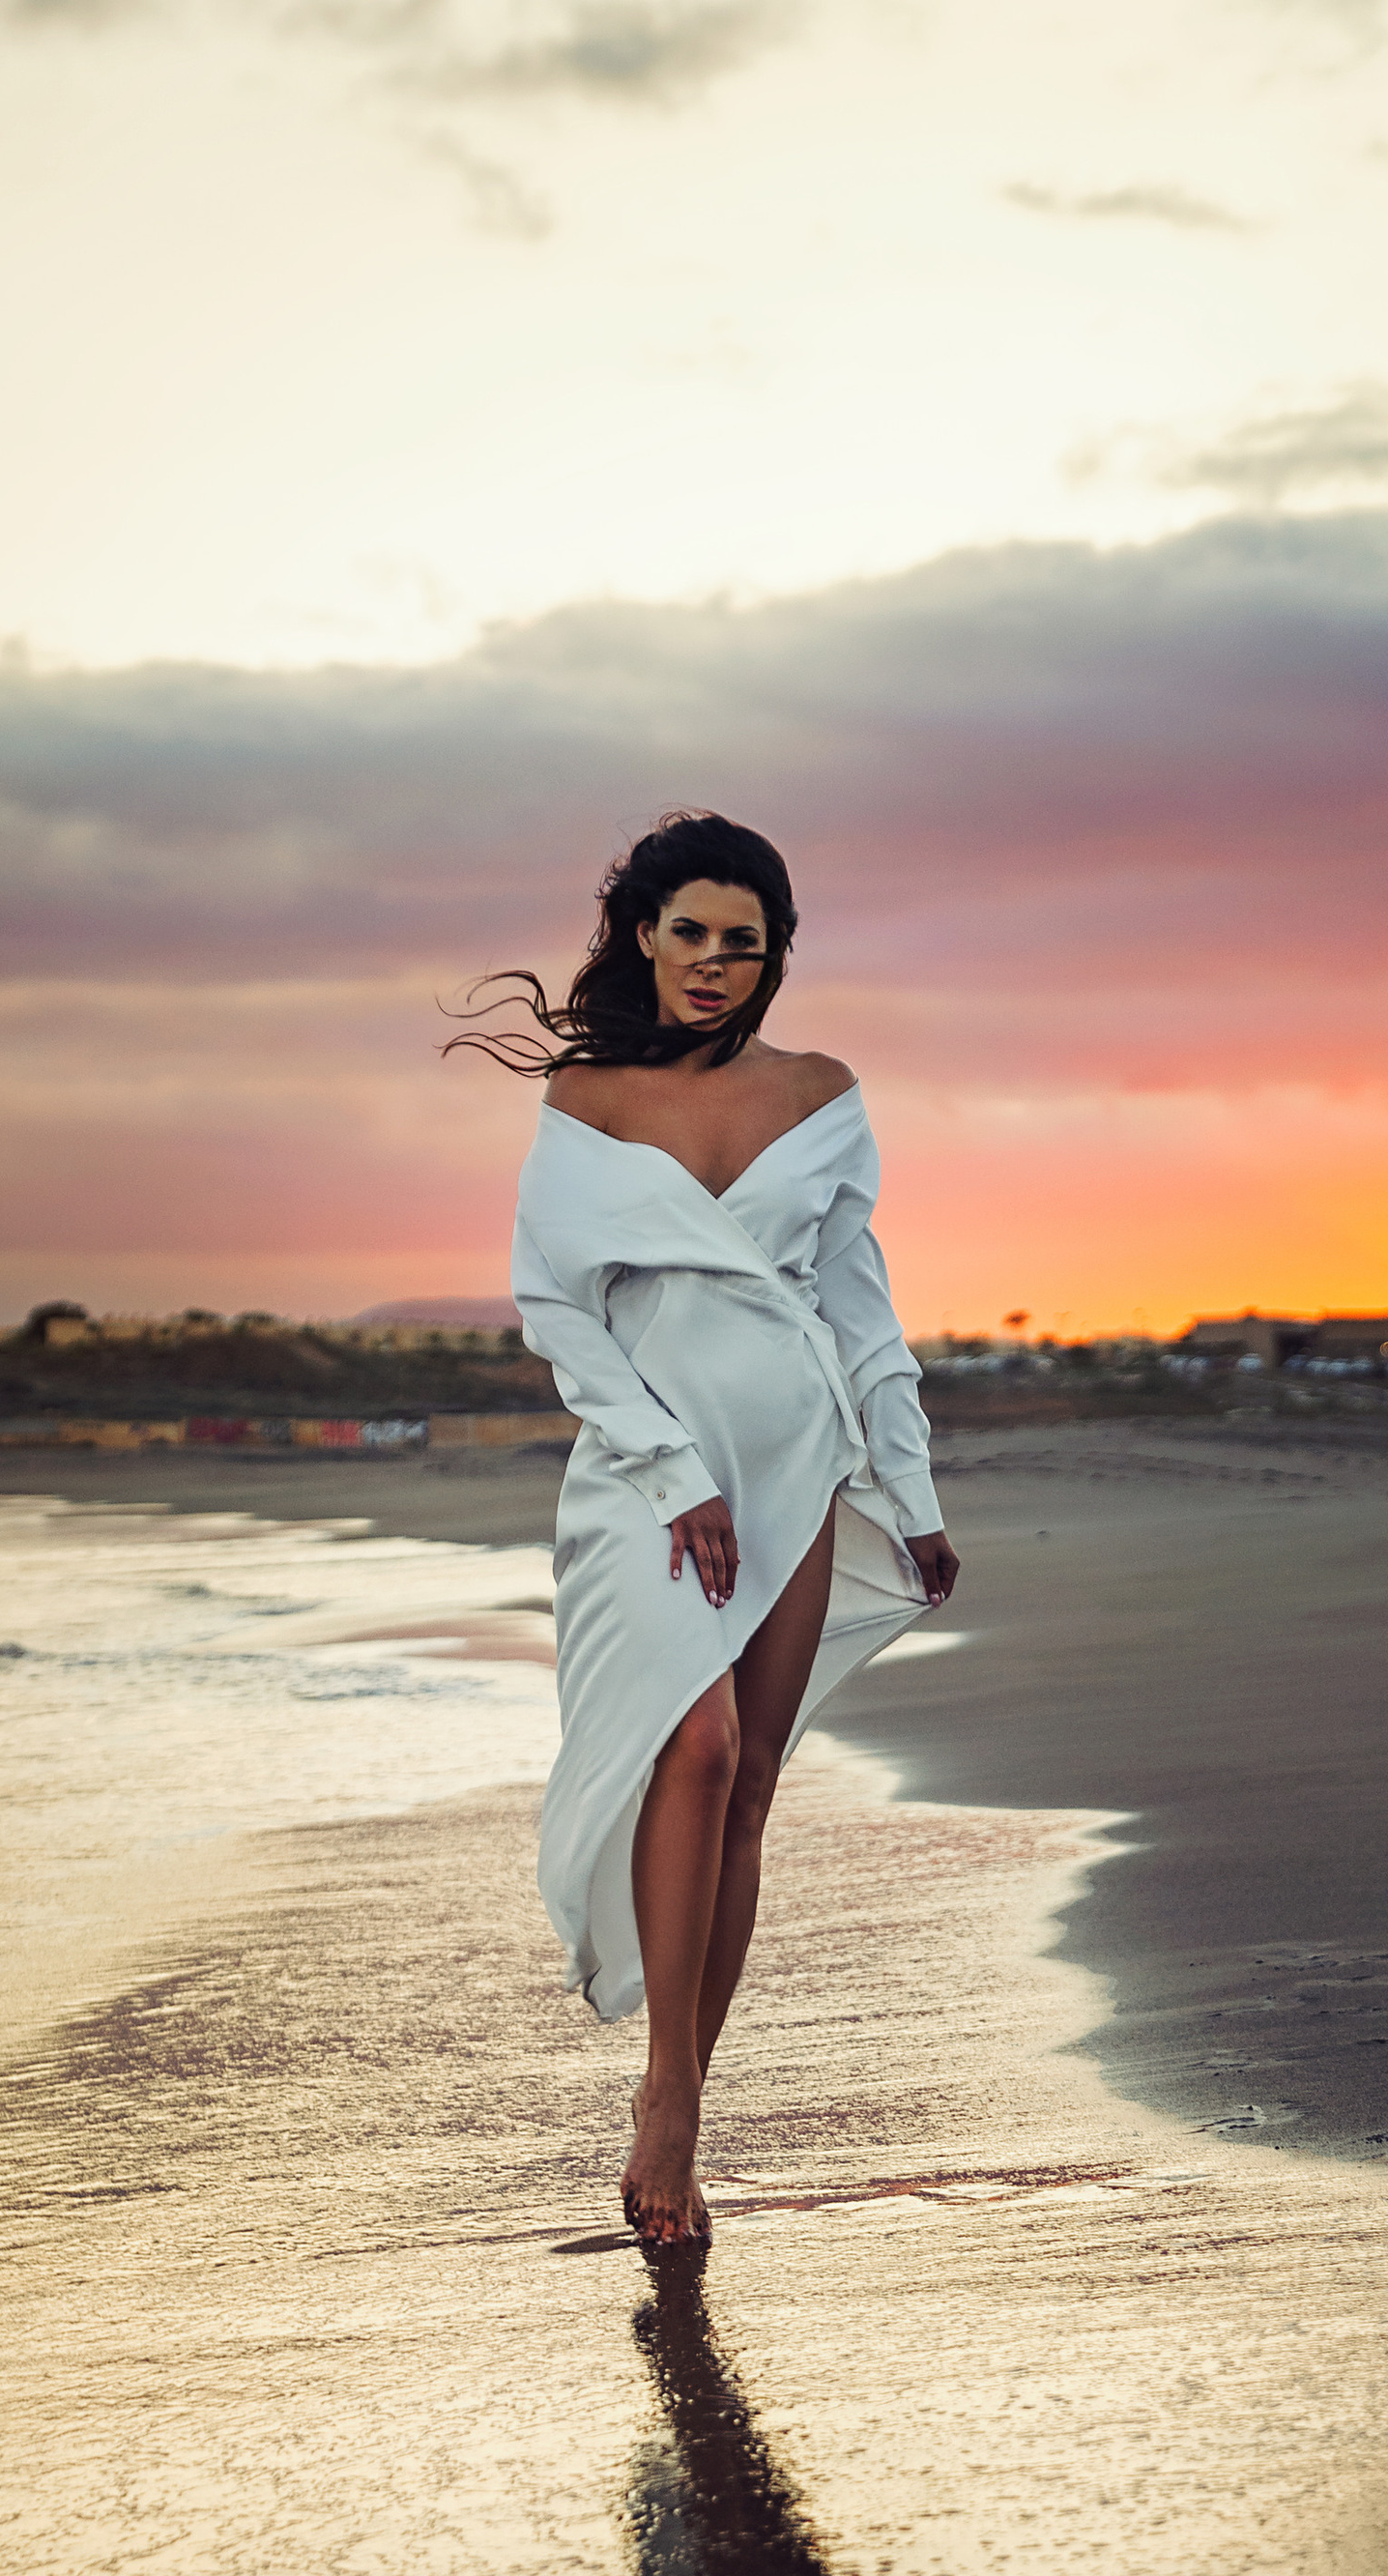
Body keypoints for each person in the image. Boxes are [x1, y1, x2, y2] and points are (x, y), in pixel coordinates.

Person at [450, 811, 958, 2248]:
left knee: (746, 1795)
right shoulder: (587, 1099)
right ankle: (665, 2099)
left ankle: (685, 2081)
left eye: (746, 941)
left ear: (774, 955)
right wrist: (675, 1471)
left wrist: (907, 1492)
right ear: (643, 939)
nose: (716, 964)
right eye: (691, 935)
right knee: (699, 1741)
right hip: (649, 1471)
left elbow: (858, 1306)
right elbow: (556, 1308)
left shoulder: (823, 1091)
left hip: (800, 1456)